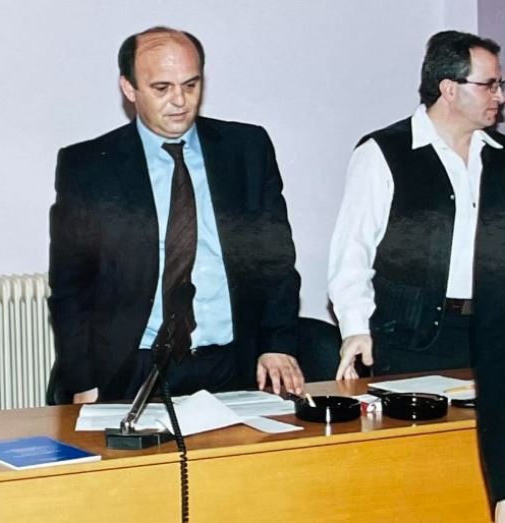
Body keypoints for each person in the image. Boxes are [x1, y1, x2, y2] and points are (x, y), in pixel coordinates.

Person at [48, 26, 303, 405]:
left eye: (190, 85)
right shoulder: (88, 166)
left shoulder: (246, 150)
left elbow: (276, 261)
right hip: (133, 367)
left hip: (233, 363)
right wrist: (83, 381)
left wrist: (277, 343)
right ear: (129, 88)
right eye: (162, 88)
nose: (180, 101)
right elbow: (71, 288)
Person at [328, 30, 505, 518]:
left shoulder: (500, 155)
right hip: (412, 339)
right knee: (415, 471)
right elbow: (352, 252)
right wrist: (356, 328)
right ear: (449, 89)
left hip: (491, 335)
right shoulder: (384, 152)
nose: (500, 96)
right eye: (489, 85)